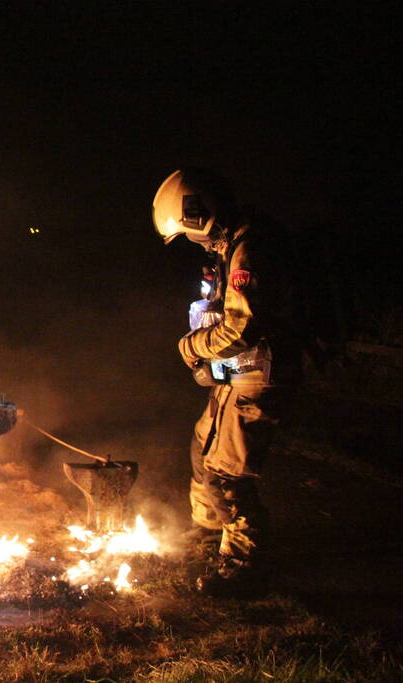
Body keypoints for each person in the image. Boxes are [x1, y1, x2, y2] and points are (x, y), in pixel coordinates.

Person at [152, 168, 299, 597]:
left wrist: (193, 346)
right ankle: (208, 532)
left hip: (260, 374)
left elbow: (243, 325)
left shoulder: (249, 248)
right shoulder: (232, 242)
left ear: (198, 214)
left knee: (227, 473)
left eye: (187, 230)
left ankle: (244, 566)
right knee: (203, 448)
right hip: (239, 371)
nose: (191, 240)